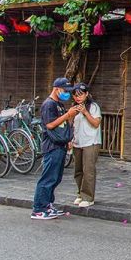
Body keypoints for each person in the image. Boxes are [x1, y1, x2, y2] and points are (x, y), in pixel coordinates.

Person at [31, 77, 81, 220]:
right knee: (48, 178)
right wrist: (68, 115)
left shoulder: (59, 104)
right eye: (65, 90)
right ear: (57, 89)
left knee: (56, 178)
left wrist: (69, 137)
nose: (67, 93)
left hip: (60, 144)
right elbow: (50, 125)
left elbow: (63, 125)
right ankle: (38, 208)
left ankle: (48, 204)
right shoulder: (49, 105)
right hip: (51, 146)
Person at [70, 83, 101, 208]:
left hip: (91, 142)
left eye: (80, 95)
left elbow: (96, 123)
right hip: (78, 142)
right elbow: (71, 124)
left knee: (88, 170)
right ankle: (80, 194)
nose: (78, 98)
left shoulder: (93, 106)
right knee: (78, 170)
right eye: (75, 95)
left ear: (86, 94)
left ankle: (88, 197)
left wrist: (85, 112)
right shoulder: (74, 107)